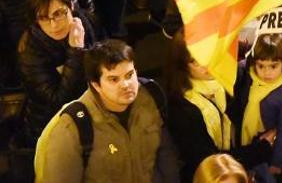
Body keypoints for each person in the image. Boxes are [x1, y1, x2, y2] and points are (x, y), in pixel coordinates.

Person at [33, 39, 179, 182]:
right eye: (114, 79)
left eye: (129, 75)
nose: (126, 85)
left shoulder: (150, 96)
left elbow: (165, 153)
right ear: (96, 85)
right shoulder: (71, 127)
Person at [165, 30, 274, 182]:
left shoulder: (230, 80)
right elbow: (210, 161)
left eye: (209, 56)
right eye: (195, 61)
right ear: (183, 66)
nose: (207, 66)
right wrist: (262, 149)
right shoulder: (181, 107)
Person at [17, 0, 97, 145]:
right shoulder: (30, 51)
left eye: (59, 13)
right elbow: (59, 102)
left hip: (90, 109)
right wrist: (75, 52)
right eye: (44, 18)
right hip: (52, 125)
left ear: (71, 6)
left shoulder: (83, 22)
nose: (54, 25)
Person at [231, 33, 282, 180]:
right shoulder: (250, 76)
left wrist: (278, 163)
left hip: (269, 152)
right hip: (251, 146)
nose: (266, 72)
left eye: (273, 66)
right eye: (261, 66)